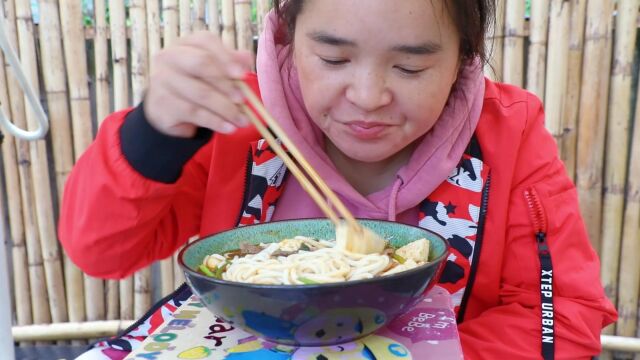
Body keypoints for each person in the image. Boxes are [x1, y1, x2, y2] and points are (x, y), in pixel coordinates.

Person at [59, 0, 617, 358]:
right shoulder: (236, 122)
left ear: (464, 60)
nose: (368, 97)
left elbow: (559, 316)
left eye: (410, 68)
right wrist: (155, 132)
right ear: (287, 35)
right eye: (331, 58)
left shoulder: (509, 136)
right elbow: (99, 251)